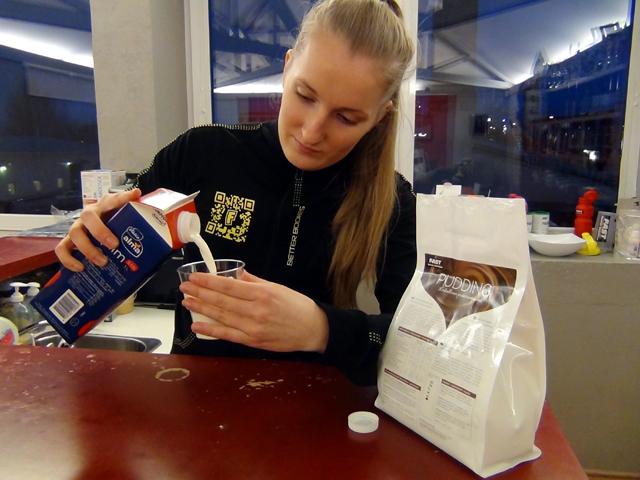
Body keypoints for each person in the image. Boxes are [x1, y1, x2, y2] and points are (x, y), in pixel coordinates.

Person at [55, 0, 416, 385]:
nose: (311, 132)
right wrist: (94, 240)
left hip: (314, 412)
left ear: (379, 117)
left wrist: (321, 328)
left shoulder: (394, 202)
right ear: (287, 66)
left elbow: (418, 347)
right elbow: (107, 262)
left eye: (345, 117)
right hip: (192, 401)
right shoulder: (201, 153)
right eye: (305, 95)